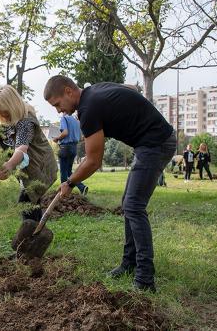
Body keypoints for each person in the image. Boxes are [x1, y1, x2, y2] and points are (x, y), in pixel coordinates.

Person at [44, 76, 175, 293]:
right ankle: (129, 263)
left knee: (134, 206)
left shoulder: (89, 109)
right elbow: (130, 88)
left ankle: (145, 280)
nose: (59, 111)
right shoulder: (94, 89)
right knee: (129, 204)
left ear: (68, 91)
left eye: (58, 104)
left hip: (156, 143)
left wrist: (70, 181)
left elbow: (93, 161)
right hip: (149, 142)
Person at [0, 85, 58, 223]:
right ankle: (37, 234)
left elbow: (21, 148)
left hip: (41, 167)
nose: (3, 116)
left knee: (26, 203)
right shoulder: (9, 122)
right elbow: (5, 146)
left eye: (5, 112)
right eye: (0, 114)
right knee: (32, 202)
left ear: (13, 106)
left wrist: (9, 165)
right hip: (30, 169)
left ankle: (30, 237)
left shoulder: (26, 121)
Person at [53, 114, 88, 195]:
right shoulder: (76, 121)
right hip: (74, 148)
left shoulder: (64, 118)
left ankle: (63, 193)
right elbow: (80, 137)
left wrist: (57, 138)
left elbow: (65, 133)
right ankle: (82, 187)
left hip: (65, 148)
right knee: (69, 171)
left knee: (63, 172)